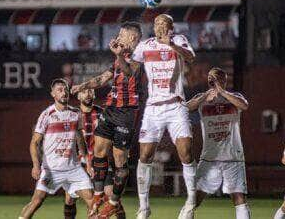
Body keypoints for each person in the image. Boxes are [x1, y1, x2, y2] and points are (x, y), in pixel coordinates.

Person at [71, 21, 142, 218]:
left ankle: (113, 202)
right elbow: (103, 79)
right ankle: (99, 193)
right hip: (110, 110)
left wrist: (118, 54)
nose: (118, 37)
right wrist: (82, 86)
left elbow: (129, 73)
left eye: (122, 34)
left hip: (126, 113)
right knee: (99, 151)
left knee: (120, 161)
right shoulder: (121, 58)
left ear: (133, 38)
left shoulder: (139, 56)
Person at [131, 14, 196, 219]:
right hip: (153, 108)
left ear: (171, 26)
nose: (159, 26)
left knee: (185, 152)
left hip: (176, 106)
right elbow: (131, 69)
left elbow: (190, 57)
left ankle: (191, 202)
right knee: (145, 156)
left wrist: (171, 45)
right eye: (157, 23)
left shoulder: (179, 40)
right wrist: (119, 55)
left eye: (164, 23)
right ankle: (144, 207)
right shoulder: (145, 45)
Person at [19, 78, 94, 219]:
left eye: (65, 89)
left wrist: (87, 161)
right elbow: (34, 143)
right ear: (53, 94)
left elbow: (80, 139)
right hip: (51, 170)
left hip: (73, 169)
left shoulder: (76, 113)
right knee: (36, 202)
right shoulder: (47, 115)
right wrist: (36, 166)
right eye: (59, 90)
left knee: (92, 201)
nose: (64, 92)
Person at [186, 67, 251, 219]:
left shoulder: (233, 96)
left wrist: (222, 92)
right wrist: (204, 97)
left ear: (223, 80)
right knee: (195, 197)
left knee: (239, 197)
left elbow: (244, 105)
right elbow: (186, 108)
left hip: (232, 156)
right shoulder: (202, 97)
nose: (212, 80)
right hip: (210, 157)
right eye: (210, 77)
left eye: (215, 77)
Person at [64, 88, 126, 219]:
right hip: (79, 163)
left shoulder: (102, 113)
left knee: (111, 195)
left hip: (100, 160)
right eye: (84, 92)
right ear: (78, 96)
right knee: (70, 198)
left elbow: (114, 134)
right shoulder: (73, 115)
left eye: (90, 91)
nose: (88, 94)